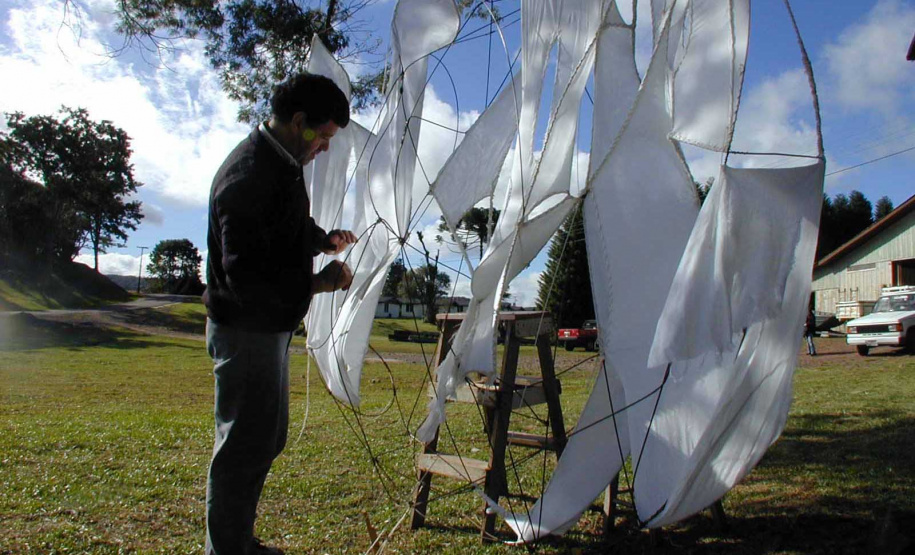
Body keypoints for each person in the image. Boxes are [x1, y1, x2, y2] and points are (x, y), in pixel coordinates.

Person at [202, 71, 356, 555]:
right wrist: (318, 282)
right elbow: (246, 277)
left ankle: (236, 541)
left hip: (267, 329)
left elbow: (287, 222)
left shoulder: (282, 163)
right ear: (299, 122)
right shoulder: (246, 177)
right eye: (324, 136)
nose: (325, 148)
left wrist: (321, 239)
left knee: (265, 437)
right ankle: (227, 550)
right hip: (245, 331)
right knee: (243, 447)